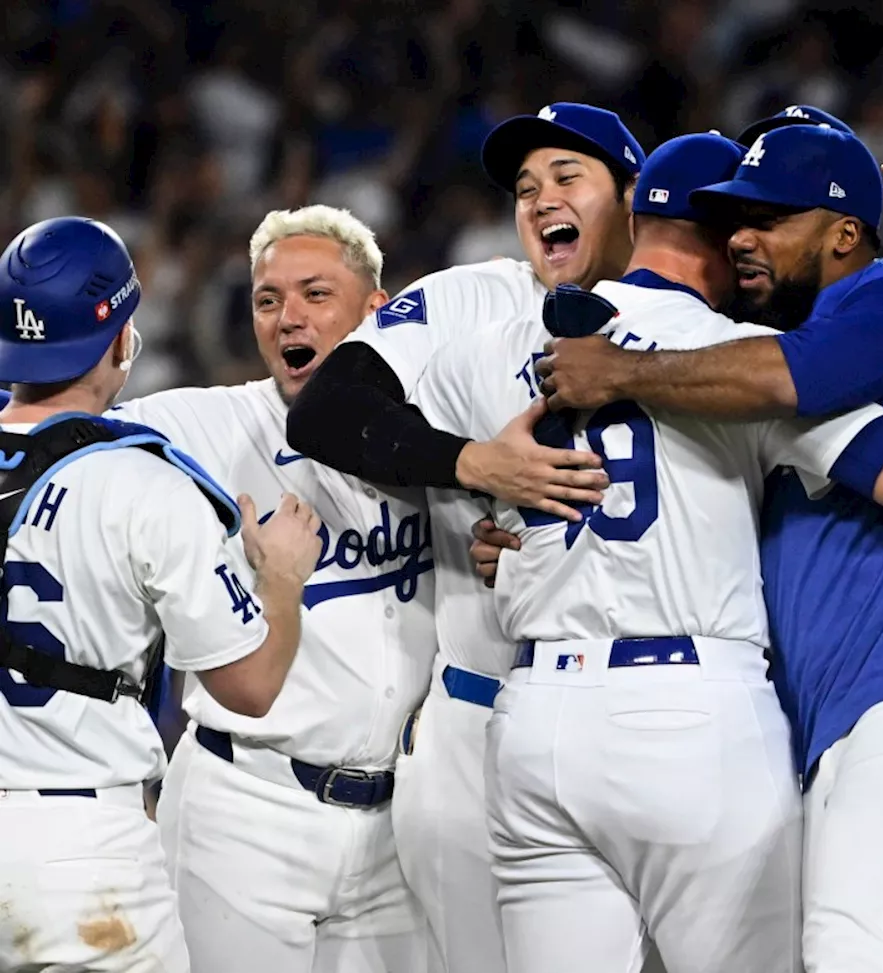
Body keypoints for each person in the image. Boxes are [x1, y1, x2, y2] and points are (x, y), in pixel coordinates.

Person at [328, 131, 883, 973]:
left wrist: (473, 477)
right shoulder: (730, 362)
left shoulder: (499, 342)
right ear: (717, 240)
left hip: (534, 716)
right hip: (692, 711)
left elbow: (330, 413)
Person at [535, 124, 883, 973]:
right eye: (734, 220)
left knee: (853, 948)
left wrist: (618, 371)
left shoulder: (879, 309)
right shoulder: (765, 360)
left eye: (769, 219)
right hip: (849, 714)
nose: (742, 237)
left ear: (843, 232)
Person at [111, 205, 594, 973]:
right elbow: (59, 426)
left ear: (377, 316)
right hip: (247, 807)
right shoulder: (211, 424)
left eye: (313, 294)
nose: (286, 317)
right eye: (268, 299)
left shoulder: (439, 439)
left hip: (392, 827)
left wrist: (509, 552)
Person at [287, 103, 642, 973]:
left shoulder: (692, 322)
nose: (539, 199)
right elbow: (326, 411)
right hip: (481, 722)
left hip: (658, 715)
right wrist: (475, 464)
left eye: (568, 177)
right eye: (526, 187)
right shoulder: (466, 297)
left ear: (634, 197)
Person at [0, 216, 320, 972]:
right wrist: (280, 580)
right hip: (80, 851)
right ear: (119, 338)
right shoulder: (146, 482)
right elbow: (249, 686)